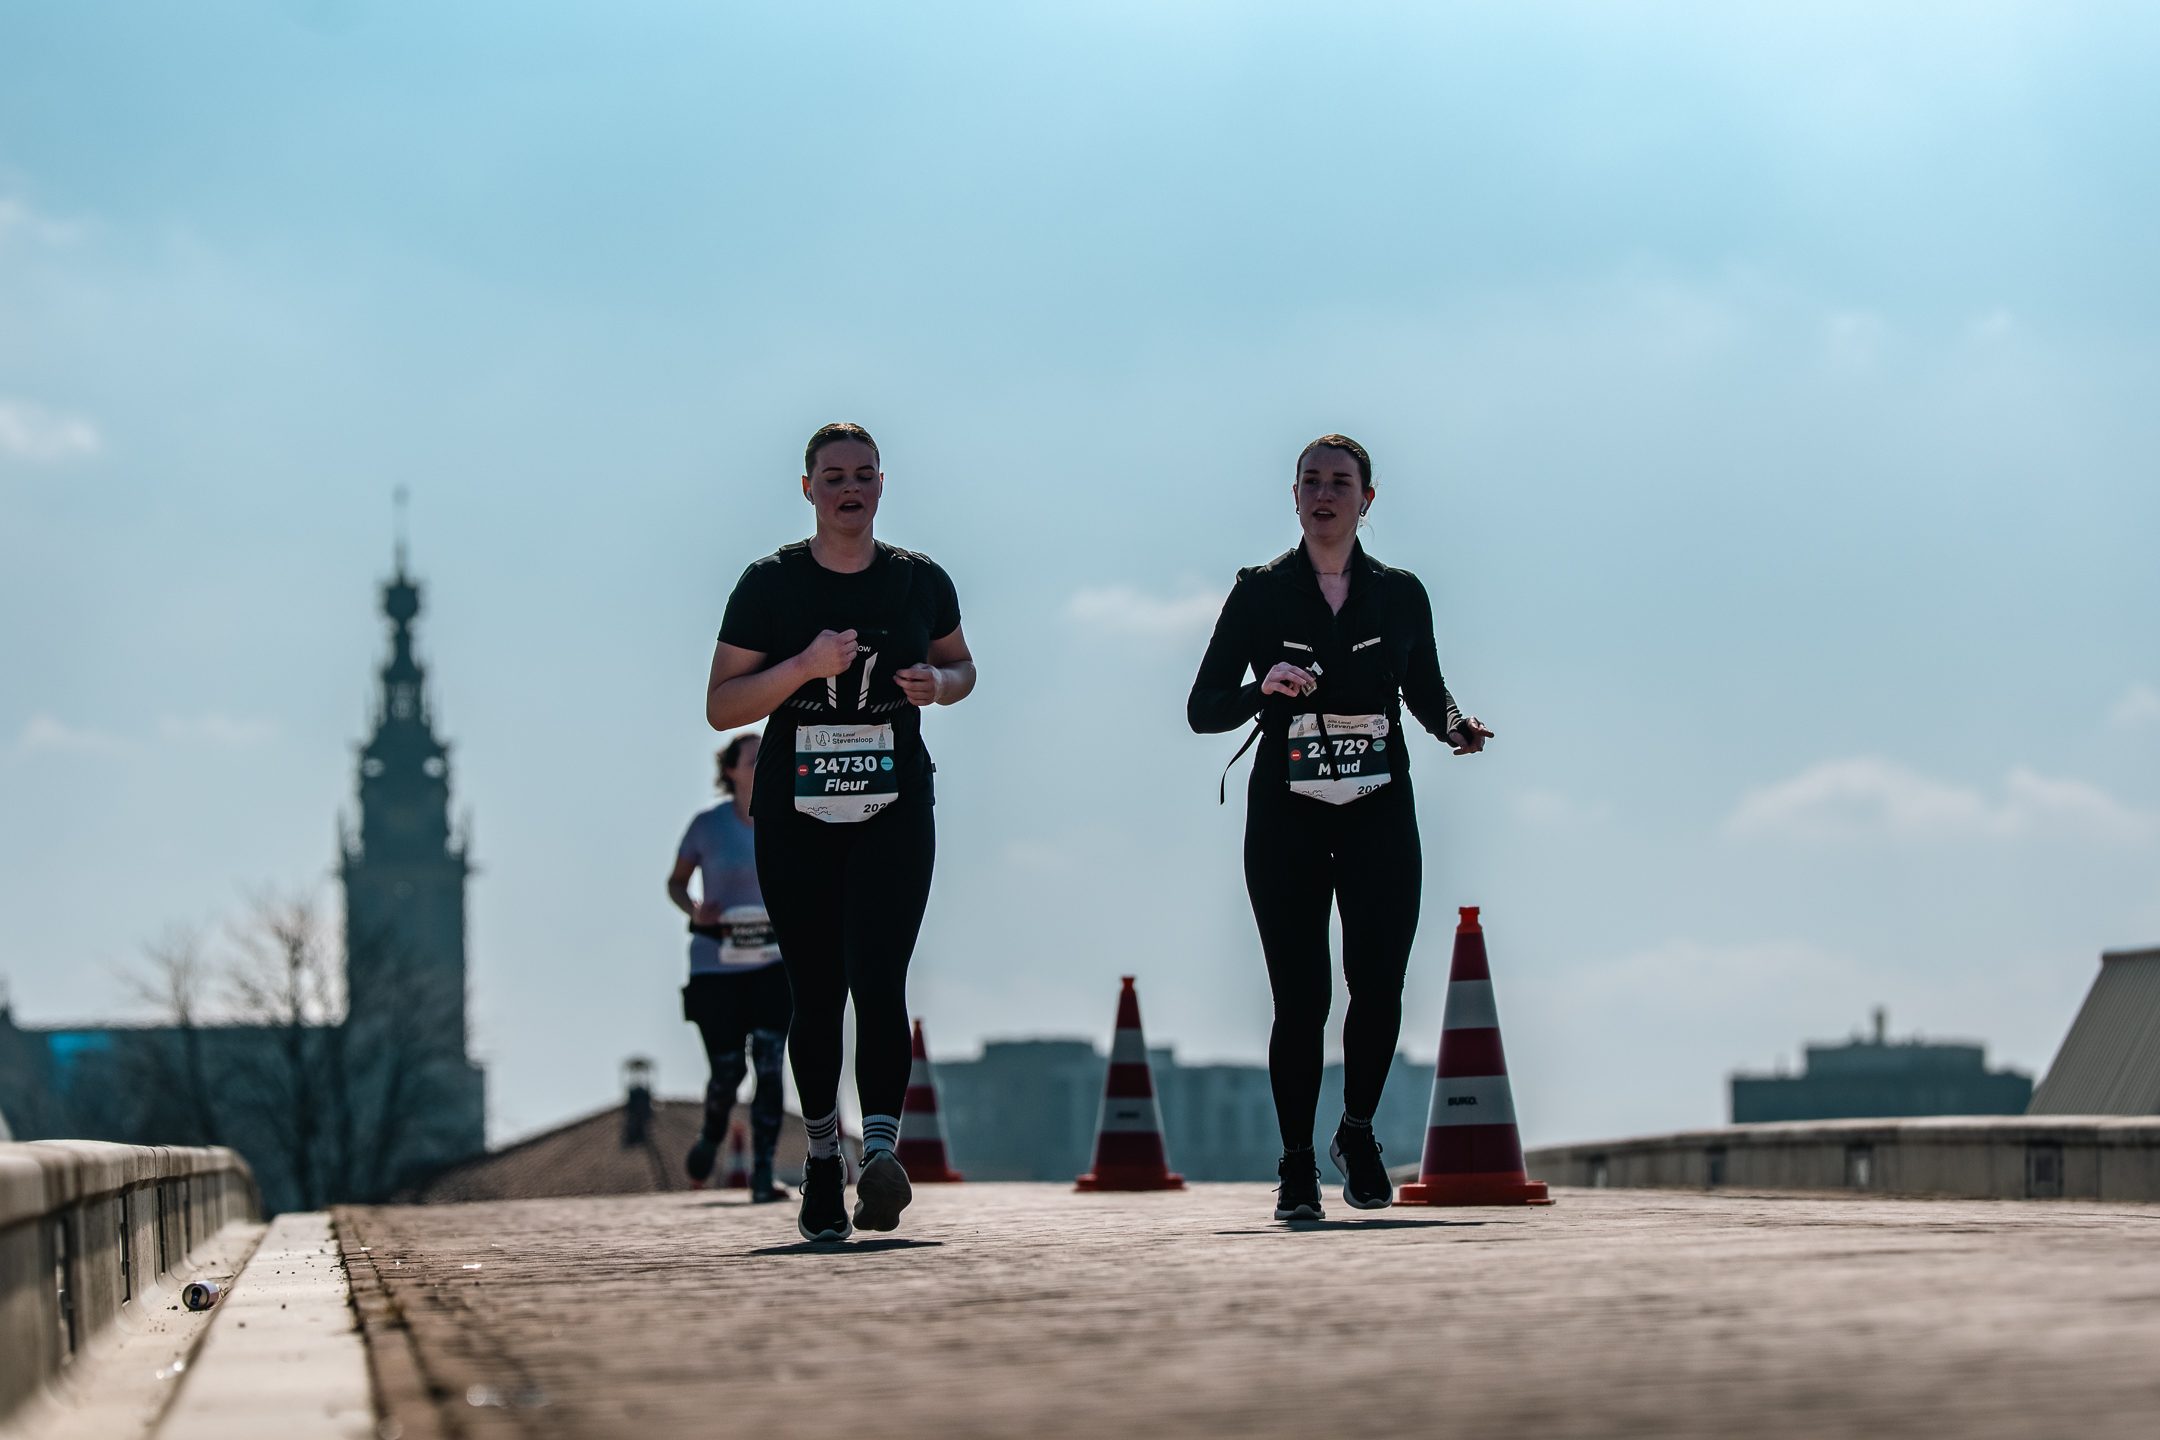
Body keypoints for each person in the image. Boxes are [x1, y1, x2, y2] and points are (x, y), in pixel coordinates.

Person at [1187, 434, 1494, 1221]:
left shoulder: (1400, 594)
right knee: (1301, 999)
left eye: (1340, 483)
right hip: (1286, 815)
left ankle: (1356, 1132)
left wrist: (1456, 726)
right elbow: (1202, 708)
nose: (1325, 495)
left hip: (1378, 812)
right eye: (1311, 482)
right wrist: (1262, 691)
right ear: (1294, 496)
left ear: (1367, 498)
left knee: (1379, 984)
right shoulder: (1260, 593)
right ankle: (1295, 1164)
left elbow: (1427, 688)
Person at [704, 422, 975, 1242]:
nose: (849, 488)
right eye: (833, 477)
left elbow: (964, 667)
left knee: (880, 979)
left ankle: (881, 1155)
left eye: (863, 475)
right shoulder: (770, 584)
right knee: (816, 992)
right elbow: (722, 706)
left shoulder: (920, 580)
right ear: (808, 489)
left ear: (882, 485)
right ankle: (824, 1158)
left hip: (894, 807)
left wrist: (939, 684)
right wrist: (802, 667)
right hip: (798, 812)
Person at [668, 732, 792, 1201]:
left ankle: (762, 1172)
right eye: (754, 759)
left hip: (773, 961)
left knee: (770, 1064)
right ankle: (712, 1131)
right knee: (728, 1073)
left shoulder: (790, 815)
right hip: (716, 965)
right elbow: (676, 883)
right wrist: (694, 909)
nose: (764, 765)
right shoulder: (707, 826)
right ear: (731, 771)